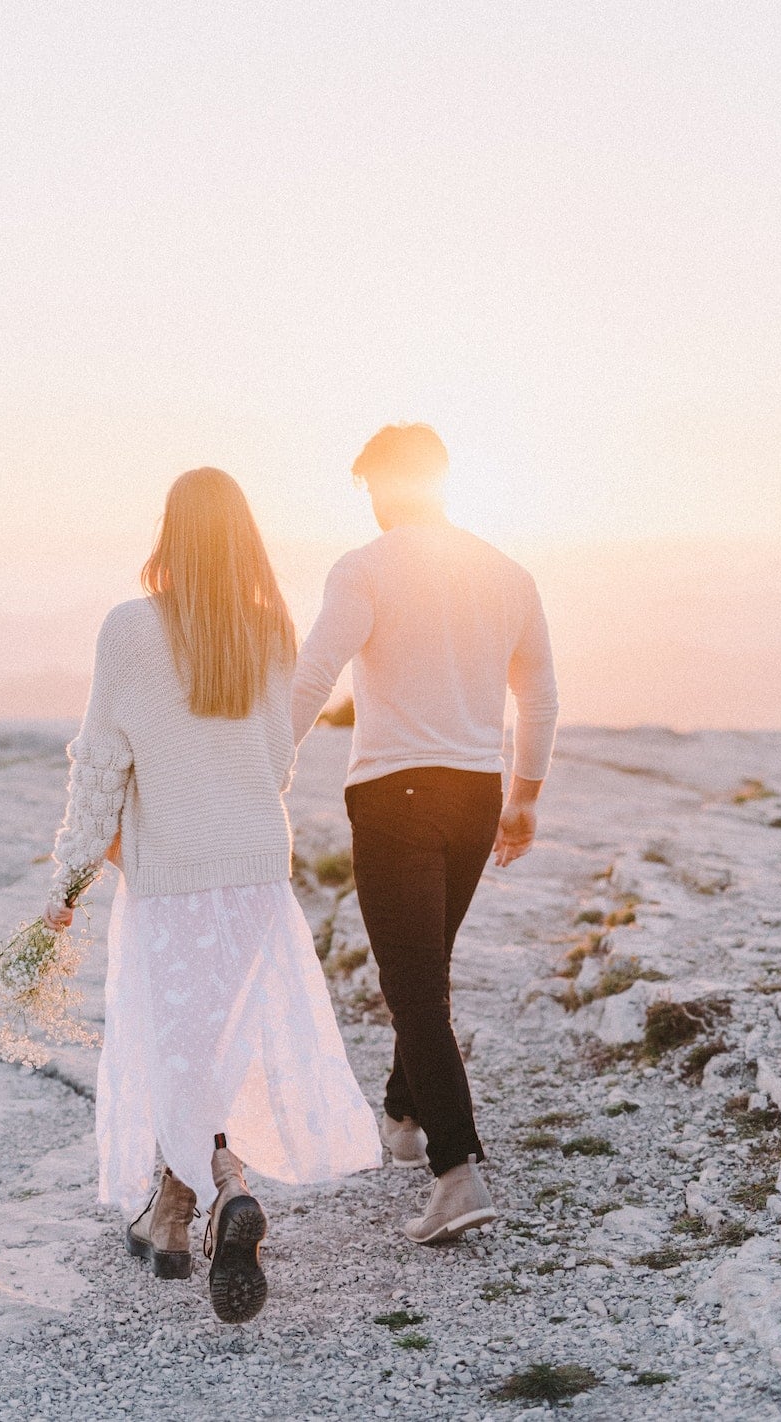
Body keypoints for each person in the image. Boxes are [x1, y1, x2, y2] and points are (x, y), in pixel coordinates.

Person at [44, 467, 380, 1322]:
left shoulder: (129, 629)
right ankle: (169, 1220)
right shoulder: (268, 630)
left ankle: (224, 1187)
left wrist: (69, 880)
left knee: (175, 1048)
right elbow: (273, 763)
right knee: (209, 1049)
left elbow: (101, 764)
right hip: (255, 874)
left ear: (170, 533)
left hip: (175, 879)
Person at [291, 424, 559, 1246]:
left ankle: (457, 1171)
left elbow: (314, 673)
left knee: (413, 986)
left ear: (379, 484)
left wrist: (265, 768)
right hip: (475, 796)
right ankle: (403, 1118)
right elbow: (540, 697)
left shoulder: (365, 567)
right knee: (425, 969)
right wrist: (523, 799)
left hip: (394, 796)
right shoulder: (507, 573)